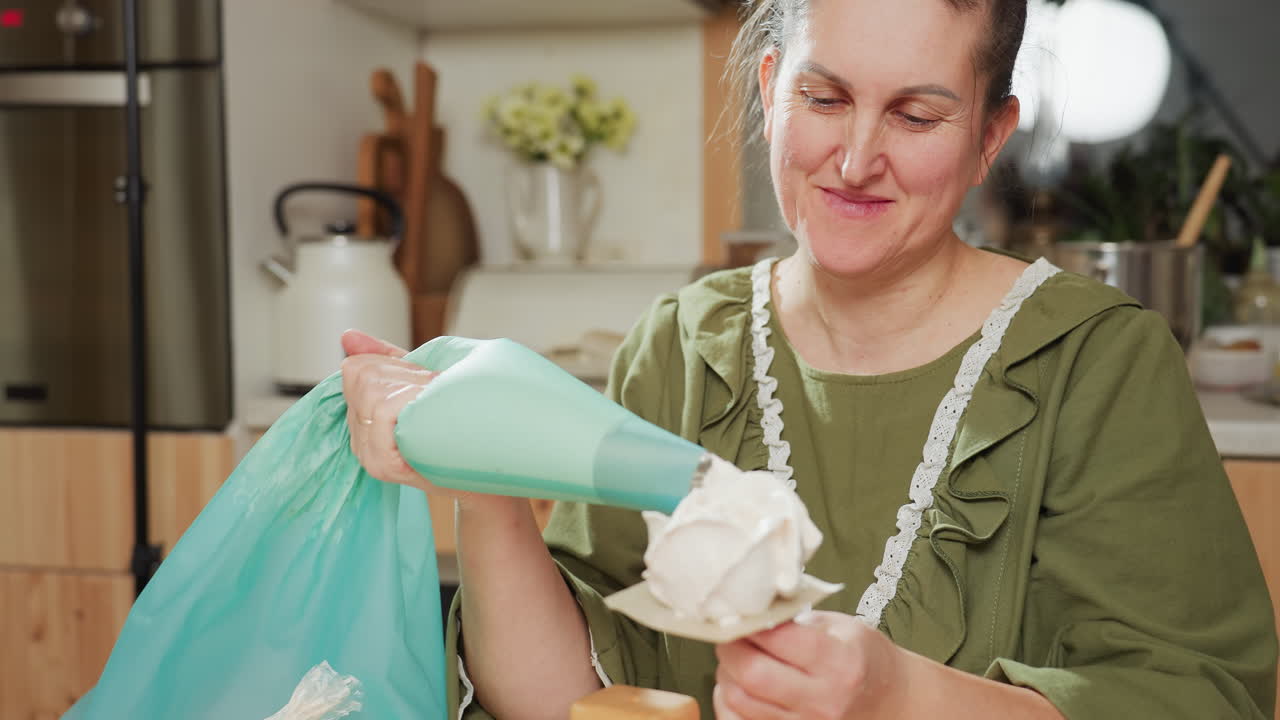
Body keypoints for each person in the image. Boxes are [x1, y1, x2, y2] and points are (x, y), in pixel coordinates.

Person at [340, 0, 1278, 717]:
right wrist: (481, 470)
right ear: (769, 88)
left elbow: (1195, 702)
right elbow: (565, 701)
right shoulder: (679, 346)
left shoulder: (1097, 366)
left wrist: (901, 697)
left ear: (993, 134)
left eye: (916, 115)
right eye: (824, 99)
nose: (855, 158)